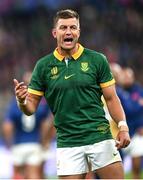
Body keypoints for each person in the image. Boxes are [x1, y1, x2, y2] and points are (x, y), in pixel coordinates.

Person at [13, 9, 130, 179]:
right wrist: (22, 101)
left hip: (99, 136)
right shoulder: (43, 66)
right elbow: (30, 109)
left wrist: (123, 126)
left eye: (73, 27)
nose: (68, 32)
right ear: (55, 33)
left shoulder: (97, 60)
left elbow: (111, 99)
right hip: (68, 143)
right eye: (63, 28)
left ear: (79, 32)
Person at [3, 71, 54, 179]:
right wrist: (45, 141)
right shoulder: (41, 103)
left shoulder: (14, 103)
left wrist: (10, 143)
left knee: (17, 175)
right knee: (35, 174)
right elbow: (47, 125)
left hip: (18, 144)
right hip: (35, 143)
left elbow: (7, 126)